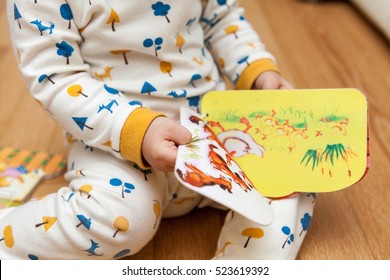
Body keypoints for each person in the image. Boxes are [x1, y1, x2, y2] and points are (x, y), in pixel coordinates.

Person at [1, 0, 314, 259]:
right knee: (120, 220)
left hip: (210, 134)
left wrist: (256, 70)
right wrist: (135, 129)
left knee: (291, 177)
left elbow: (221, 17)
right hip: (116, 145)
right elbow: (57, 77)